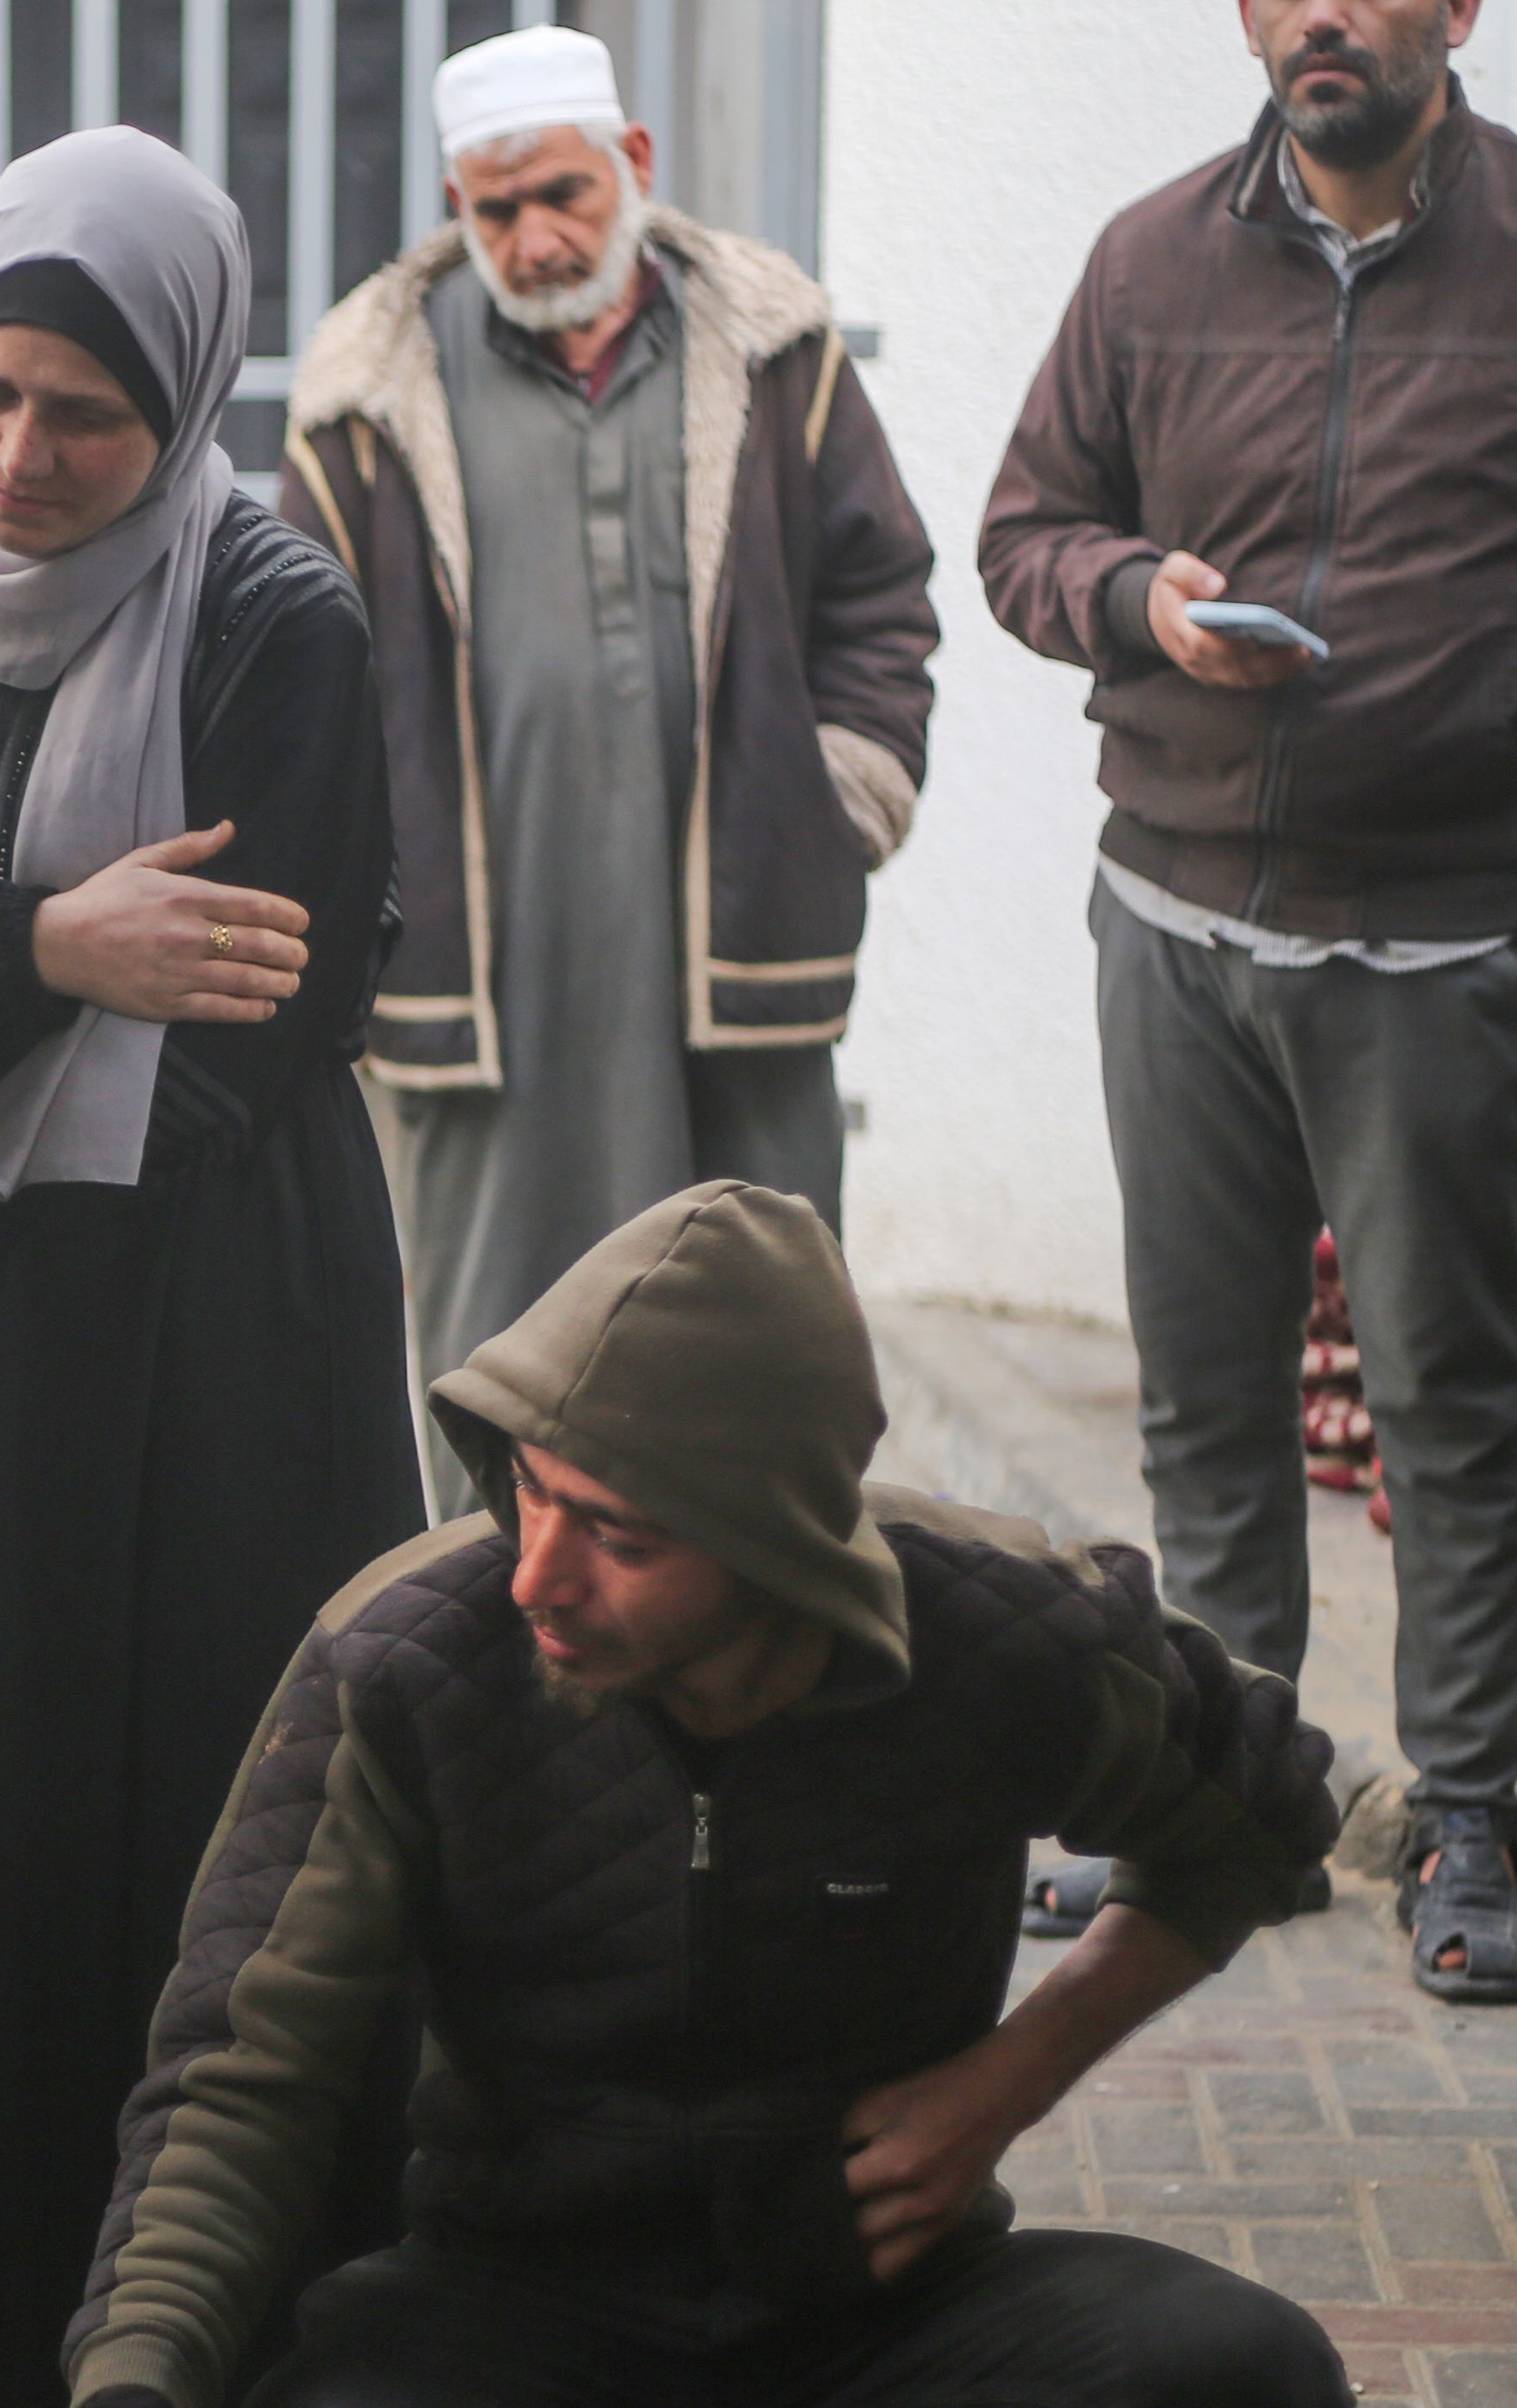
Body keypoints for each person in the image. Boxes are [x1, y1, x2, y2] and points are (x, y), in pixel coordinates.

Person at [0, 1184, 1356, 2408]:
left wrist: (1012, 2074)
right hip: (503, 2318)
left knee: (1250, 2378)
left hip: (884, 2319)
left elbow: (1263, 1818)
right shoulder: (403, 1659)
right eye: (526, 1491)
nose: (536, 1573)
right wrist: (126, 2405)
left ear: (773, 1542)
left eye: (619, 1536)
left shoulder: (1004, 1635)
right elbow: (235, 2076)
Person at [978, 0, 1517, 2007]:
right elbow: (1020, 535)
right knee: (1202, 1400)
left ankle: (1467, 1816)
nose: (1321, 16)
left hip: (1444, 953)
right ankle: (1225, 1800)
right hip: (1172, 929)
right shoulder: (1147, 257)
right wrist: (1136, 602)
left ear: (1457, 12)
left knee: (1451, 1402)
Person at [0, 129, 422, 2408]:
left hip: (183, 1359)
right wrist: (49, 953)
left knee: (164, 1852)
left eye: (84, 415)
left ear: (182, 399)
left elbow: (231, 1053)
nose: (17, 458)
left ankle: (170, 2397)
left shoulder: (273, 623)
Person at [283, 27, 936, 1516]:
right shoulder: (366, 397)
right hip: (482, 982)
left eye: (561, 195)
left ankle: (768, 1675)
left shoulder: (772, 352)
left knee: (758, 1343)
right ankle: (493, 1678)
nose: (532, 237)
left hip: (733, 944)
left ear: (633, 165)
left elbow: (881, 594)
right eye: (492, 209)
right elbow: (303, 684)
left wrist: (841, 798)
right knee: (495, 1366)